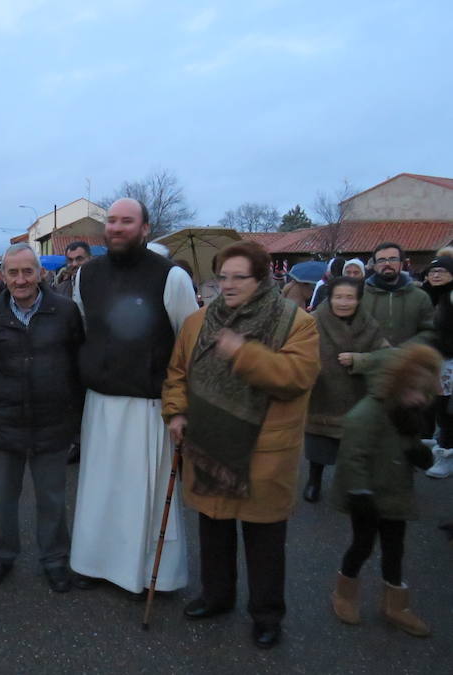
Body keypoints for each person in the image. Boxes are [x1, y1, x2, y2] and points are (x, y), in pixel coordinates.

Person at [162, 240, 320, 649]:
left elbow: (294, 377)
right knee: (213, 527)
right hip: (210, 442)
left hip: (262, 449)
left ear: (262, 278)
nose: (228, 286)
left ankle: (267, 614)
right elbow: (177, 373)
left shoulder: (296, 322)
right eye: (223, 277)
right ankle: (217, 596)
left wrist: (243, 352)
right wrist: (176, 413)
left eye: (239, 277)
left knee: (264, 537)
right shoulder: (198, 322)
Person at [69, 198, 198, 597]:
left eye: (127, 221)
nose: (117, 227)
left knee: (142, 494)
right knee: (100, 491)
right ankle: (93, 563)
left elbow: (189, 344)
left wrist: (182, 407)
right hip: (101, 402)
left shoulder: (171, 277)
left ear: (145, 228)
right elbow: (84, 329)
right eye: (111, 221)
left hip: (149, 407)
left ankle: (141, 573)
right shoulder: (86, 276)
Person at [0, 243, 84, 592]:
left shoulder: (65, 312)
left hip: (52, 421)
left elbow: (77, 365)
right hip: (6, 421)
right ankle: (2, 556)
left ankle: (54, 560)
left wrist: (75, 416)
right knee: (3, 499)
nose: (21, 279)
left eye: (27, 271)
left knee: (52, 498)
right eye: (13, 272)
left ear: (40, 273)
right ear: (2, 276)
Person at [330, 344, 440, 637]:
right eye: (415, 390)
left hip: (395, 493)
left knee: (395, 549)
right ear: (399, 384)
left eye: (424, 392)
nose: (421, 398)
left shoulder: (409, 410)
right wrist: (359, 492)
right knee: (362, 545)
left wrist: (418, 453)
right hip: (367, 495)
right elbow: (354, 456)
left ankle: (396, 606)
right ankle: (345, 592)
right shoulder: (368, 414)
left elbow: (407, 444)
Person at [303, 277, 388, 502]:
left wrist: (360, 360)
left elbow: (387, 356)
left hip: (356, 396)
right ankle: (314, 480)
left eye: (349, 297)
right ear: (329, 298)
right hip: (322, 394)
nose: (343, 302)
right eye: (338, 297)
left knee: (353, 448)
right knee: (318, 446)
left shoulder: (370, 324)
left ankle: (351, 485)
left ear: (359, 300)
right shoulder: (312, 321)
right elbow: (297, 352)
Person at [360, 242, 434, 347]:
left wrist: (405, 348)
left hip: (408, 359)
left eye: (393, 259)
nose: (387, 264)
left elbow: (429, 331)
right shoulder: (360, 295)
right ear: (375, 266)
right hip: (370, 359)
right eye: (381, 260)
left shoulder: (420, 297)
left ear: (401, 264)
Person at [426, 257, 453, 478]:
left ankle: (447, 455)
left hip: (450, 363)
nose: (435, 275)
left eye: (441, 271)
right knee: (439, 406)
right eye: (432, 271)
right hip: (435, 361)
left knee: (448, 409)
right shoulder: (432, 296)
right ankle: (441, 442)